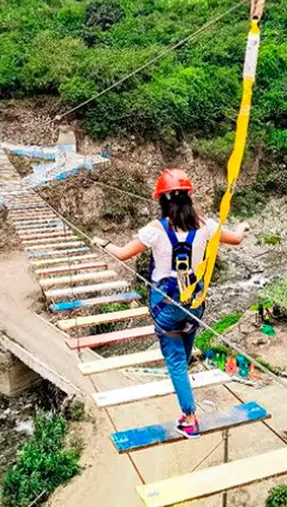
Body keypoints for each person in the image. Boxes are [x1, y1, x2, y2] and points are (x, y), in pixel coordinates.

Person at [92, 169, 249, 438]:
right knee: (183, 359)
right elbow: (235, 239)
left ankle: (190, 418)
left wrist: (101, 241)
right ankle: (186, 406)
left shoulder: (154, 231)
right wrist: (242, 227)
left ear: (162, 201)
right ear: (189, 197)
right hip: (194, 305)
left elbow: (122, 254)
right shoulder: (206, 226)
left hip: (165, 309)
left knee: (176, 363)